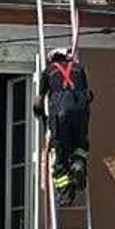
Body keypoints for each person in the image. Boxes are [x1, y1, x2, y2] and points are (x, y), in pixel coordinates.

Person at [32, 47, 93, 207]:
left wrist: (39, 113)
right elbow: (89, 95)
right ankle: (78, 163)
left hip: (60, 114)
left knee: (60, 153)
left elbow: (38, 100)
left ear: (52, 59)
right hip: (80, 113)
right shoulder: (79, 69)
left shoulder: (48, 71)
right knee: (80, 143)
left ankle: (65, 194)